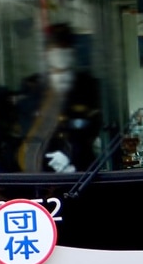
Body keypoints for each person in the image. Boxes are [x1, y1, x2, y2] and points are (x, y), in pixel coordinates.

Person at [15, 23, 102, 172]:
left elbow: (93, 128)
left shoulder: (87, 85)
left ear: (72, 52)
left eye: (64, 47)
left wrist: (70, 154)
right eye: (55, 48)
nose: (60, 52)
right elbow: (27, 130)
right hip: (41, 168)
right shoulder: (32, 86)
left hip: (82, 172)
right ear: (46, 53)